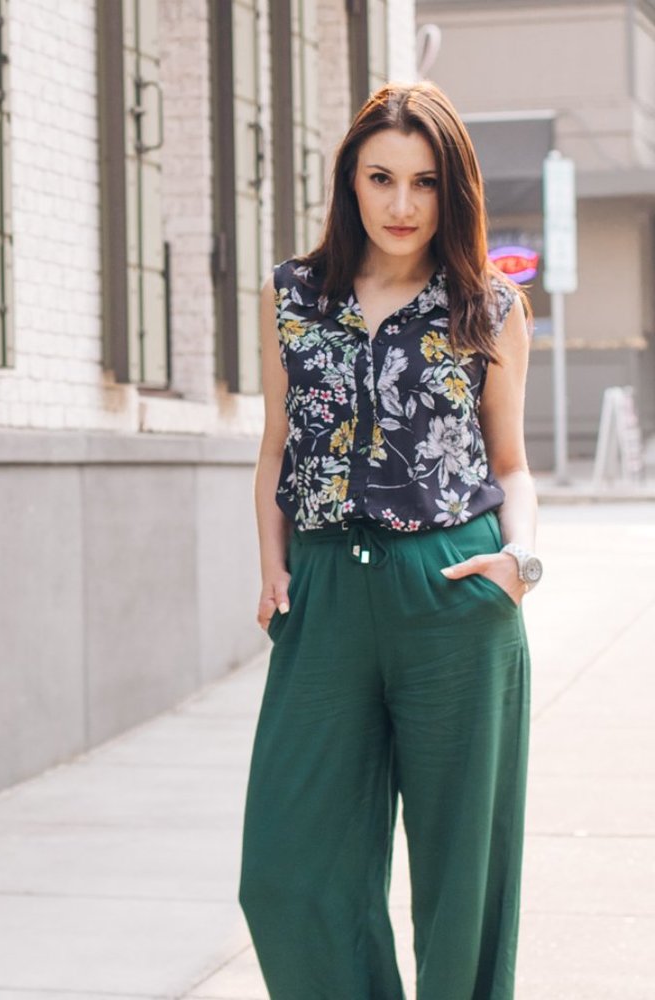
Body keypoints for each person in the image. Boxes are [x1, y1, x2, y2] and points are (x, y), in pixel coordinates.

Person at [237, 81, 541, 1000]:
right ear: (351, 181)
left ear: (453, 192)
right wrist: (273, 566)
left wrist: (519, 566)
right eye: (382, 178)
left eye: (425, 183)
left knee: (463, 882)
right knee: (287, 876)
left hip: (454, 589)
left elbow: (514, 465)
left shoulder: (487, 307)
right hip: (325, 594)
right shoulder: (293, 294)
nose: (402, 205)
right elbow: (275, 448)